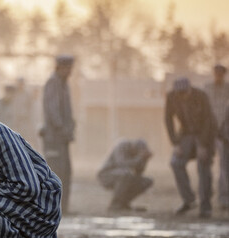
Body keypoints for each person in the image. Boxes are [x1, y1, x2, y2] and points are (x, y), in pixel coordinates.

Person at [164, 77, 217, 218]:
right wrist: (175, 143)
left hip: (205, 134)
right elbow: (168, 120)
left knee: (203, 167)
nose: (182, 96)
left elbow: (208, 121)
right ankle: (189, 200)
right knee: (175, 163)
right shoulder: (171, 97)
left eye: (184, 93)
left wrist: (203, 145)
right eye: (178, 93)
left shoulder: (201, 96)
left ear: (190, 89)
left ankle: (205, 207)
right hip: (186, 134)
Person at [40, 55, 75, 214]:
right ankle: (54, 208)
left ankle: (63, 208)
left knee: (66, 172)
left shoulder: (63, 84)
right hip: (54, 138)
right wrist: (62, 128)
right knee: (56, 173)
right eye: (68, 68)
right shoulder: (53, 83)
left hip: (62, 137)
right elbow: (53, 111)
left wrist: (70, 128)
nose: (70, 71)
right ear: (60, 67)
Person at [97, 139, 154, 212]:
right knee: (126, 174)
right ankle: (115, 204)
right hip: (106, 175)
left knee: (147, 181)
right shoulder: (122, 146)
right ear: (134, 147)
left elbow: (139, 172)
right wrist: (139, 157)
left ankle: (123, 203)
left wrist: (145, 160)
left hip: (123, 176)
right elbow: (121, 164)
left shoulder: (137, 156)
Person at [203, 64, 229, 210]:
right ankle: (206, 198)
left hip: (223, 132)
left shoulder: (228, 88)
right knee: (206, 164)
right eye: (216, 73)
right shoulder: (207, 88)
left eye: (221, 73)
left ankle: (223, 198)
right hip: (208, 130)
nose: (218, 76)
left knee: (224, 166)